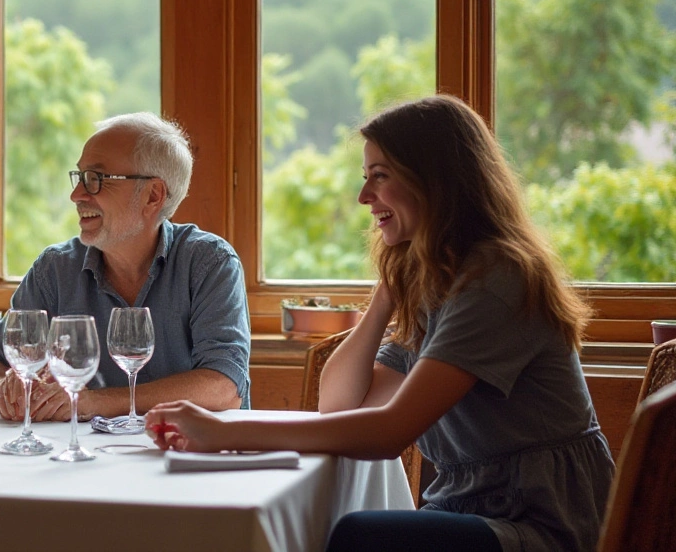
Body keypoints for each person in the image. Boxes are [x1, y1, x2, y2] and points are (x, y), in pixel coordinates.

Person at [146, 95, 614, 552]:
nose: (363, 196)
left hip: (542, 523)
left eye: (380, 177)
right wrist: (388, 291)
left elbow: (388, 434)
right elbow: (340, 404)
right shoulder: (440, 279)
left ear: (437, 182)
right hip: (474, 507)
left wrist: (225, 432)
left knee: (360, 536)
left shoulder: (495, 280)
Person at [0, 112, 251, 422]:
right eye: (79, 177)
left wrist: (93, 402)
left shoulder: (209, 263)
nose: (76, 195)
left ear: (153, 196)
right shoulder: (56, 269)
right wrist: (4, 393)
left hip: (187, 459)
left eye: (96, 179)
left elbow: (225, 386)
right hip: (83, 458)